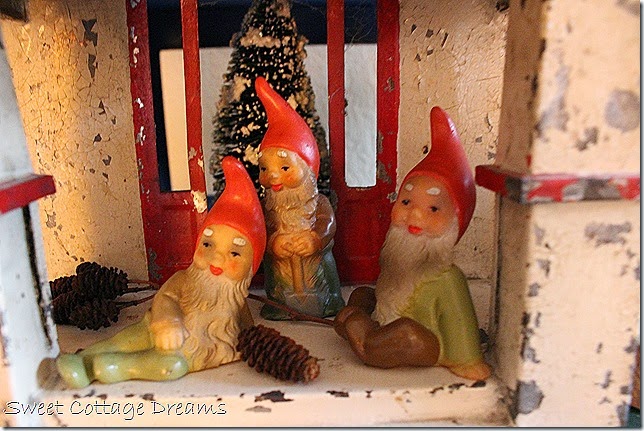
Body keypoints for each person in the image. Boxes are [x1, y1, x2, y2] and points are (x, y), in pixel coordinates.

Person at [56, 157, 266, 388]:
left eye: (235, 253)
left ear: (250, 268)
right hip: (154, 329)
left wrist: (254, 346)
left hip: (187, 357)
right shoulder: (185, 280)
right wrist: (168, 320)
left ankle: (108, 367)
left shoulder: (235, 301)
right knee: (124, 341)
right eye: (207, 244)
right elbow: (165, 297)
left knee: (171, 367)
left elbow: (249, 333)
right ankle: (83, 359)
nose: (216, 258)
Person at [334, 107, 491, 381]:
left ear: (455, 222)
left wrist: (468, 361)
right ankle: (363, 327)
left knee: (405, 334)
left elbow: (460, 324)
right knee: (362, 295)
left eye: (433, 209)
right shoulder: (398, 257)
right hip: (388, 317)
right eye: (406, 202)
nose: (415, 215)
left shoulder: (447, 278)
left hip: (424, 341)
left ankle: (365, 341)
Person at [254, 76, 344, 319]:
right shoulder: (267, 206)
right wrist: (273, 242)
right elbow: (260, 230)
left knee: (323, 271)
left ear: (307, 169)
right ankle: (278, 306)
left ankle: (330, 301)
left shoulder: (319, 203)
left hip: (315, 264)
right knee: (277, 279)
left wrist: (316, 238)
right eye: (264, 169)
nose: (273, 176)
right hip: (281, 265)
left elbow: (327, 223)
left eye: (285, 168)